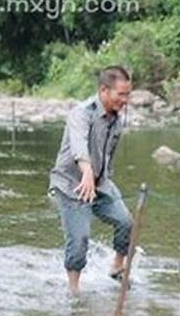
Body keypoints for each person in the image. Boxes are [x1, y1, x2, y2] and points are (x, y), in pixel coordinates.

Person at [48, 65, 133, 295]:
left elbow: (108, 153)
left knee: (126, 221)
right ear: (104, 90)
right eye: (121, 94)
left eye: (128, 94)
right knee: (80, 240)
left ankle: (117, 266)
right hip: (70, 185)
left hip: (99, 182)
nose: (125, 100)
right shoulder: (81, 113)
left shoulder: (117, 119)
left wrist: (100, 179)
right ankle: (74, 291)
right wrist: (85, 171)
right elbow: (78, 145)